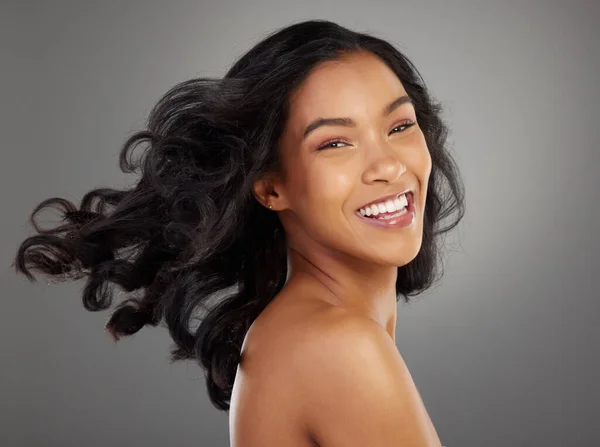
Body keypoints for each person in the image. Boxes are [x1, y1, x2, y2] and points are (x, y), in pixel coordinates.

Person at [14, 19, 464, 446]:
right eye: (335, 143)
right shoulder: (339, 344)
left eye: (400, 126)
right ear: (270, 187)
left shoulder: (299, 329)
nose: (388, 165)